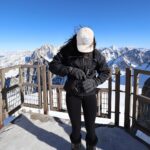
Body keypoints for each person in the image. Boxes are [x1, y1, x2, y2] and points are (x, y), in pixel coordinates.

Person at [49, 27, 111, 150]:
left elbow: (106, 72)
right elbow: (53, 66)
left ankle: (91, 145)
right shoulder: (67, 51)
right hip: (73, 94)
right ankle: (76, 145)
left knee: (90, 127)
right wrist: (70, 70)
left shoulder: (96, 55)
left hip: (89, 94)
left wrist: (95, 82)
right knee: (76, 127)